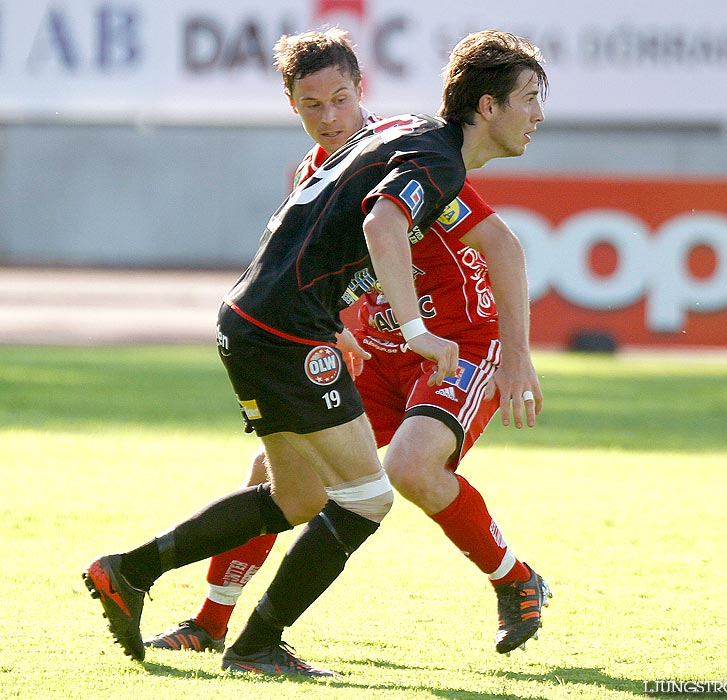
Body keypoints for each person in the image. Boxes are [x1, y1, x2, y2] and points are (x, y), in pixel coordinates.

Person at [83, 29, 549, 678]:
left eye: (340, 100)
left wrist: (512, 352)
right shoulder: (410, 154)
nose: (330, 118)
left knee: (302, 491)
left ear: (363, 92)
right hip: (316, 337)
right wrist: (394, 329)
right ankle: (247, 642)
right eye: (312, 106)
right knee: (366, 497)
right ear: (291, 106)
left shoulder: (398, 148)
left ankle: (133, 577)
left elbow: (493, 244)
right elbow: (378, 228)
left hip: (376, 337)